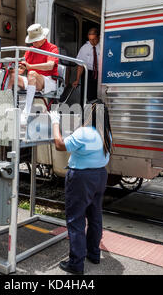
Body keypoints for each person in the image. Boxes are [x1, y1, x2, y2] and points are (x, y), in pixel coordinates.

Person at [48, 99, 113, 275]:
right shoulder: (106, 133)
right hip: (100, 176)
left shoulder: (85, 132)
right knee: (95, 216)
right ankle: (94, 254)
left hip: (81, 178)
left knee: (75, 220)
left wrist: (55, 122)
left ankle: (76, 263)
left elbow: (60, 145)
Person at [11, 23, 59, 124]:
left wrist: (30, 67)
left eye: (35, 40)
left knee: (32, 74)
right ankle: (8, 109)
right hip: (33, 80)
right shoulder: (30, 50)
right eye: (32, 41)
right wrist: (13, 70)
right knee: (11, 76)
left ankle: (26, 113)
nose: (34, 43)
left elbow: (50, 65)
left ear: (43, 37)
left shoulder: (52, 48)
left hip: (50, 80)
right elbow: (22, 69)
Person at [72, 28, 101, 102]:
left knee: (99, 94)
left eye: (94, 39)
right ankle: (87, 112)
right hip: (88, 73)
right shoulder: (84, 48)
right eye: (90, 39)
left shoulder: (103, 46)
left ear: (99, 37)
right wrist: (77, 79)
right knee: (87, 95)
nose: (92, 42)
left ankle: (99, 113)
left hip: (101, 73)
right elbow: (80, 65)